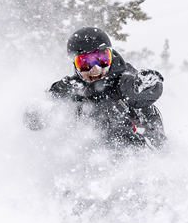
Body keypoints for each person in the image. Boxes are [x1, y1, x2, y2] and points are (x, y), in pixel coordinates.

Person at [24, 27, 166, 149]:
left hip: (138, 149)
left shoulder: (124, 79)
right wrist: (58, 93)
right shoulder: (75, 88)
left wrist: (145, 86)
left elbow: (141, 95)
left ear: (111, 56)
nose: (95, 69)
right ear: (75, 65)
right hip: (92, 158)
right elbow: (33, 120)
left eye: (102, 60)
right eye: (85, 63)